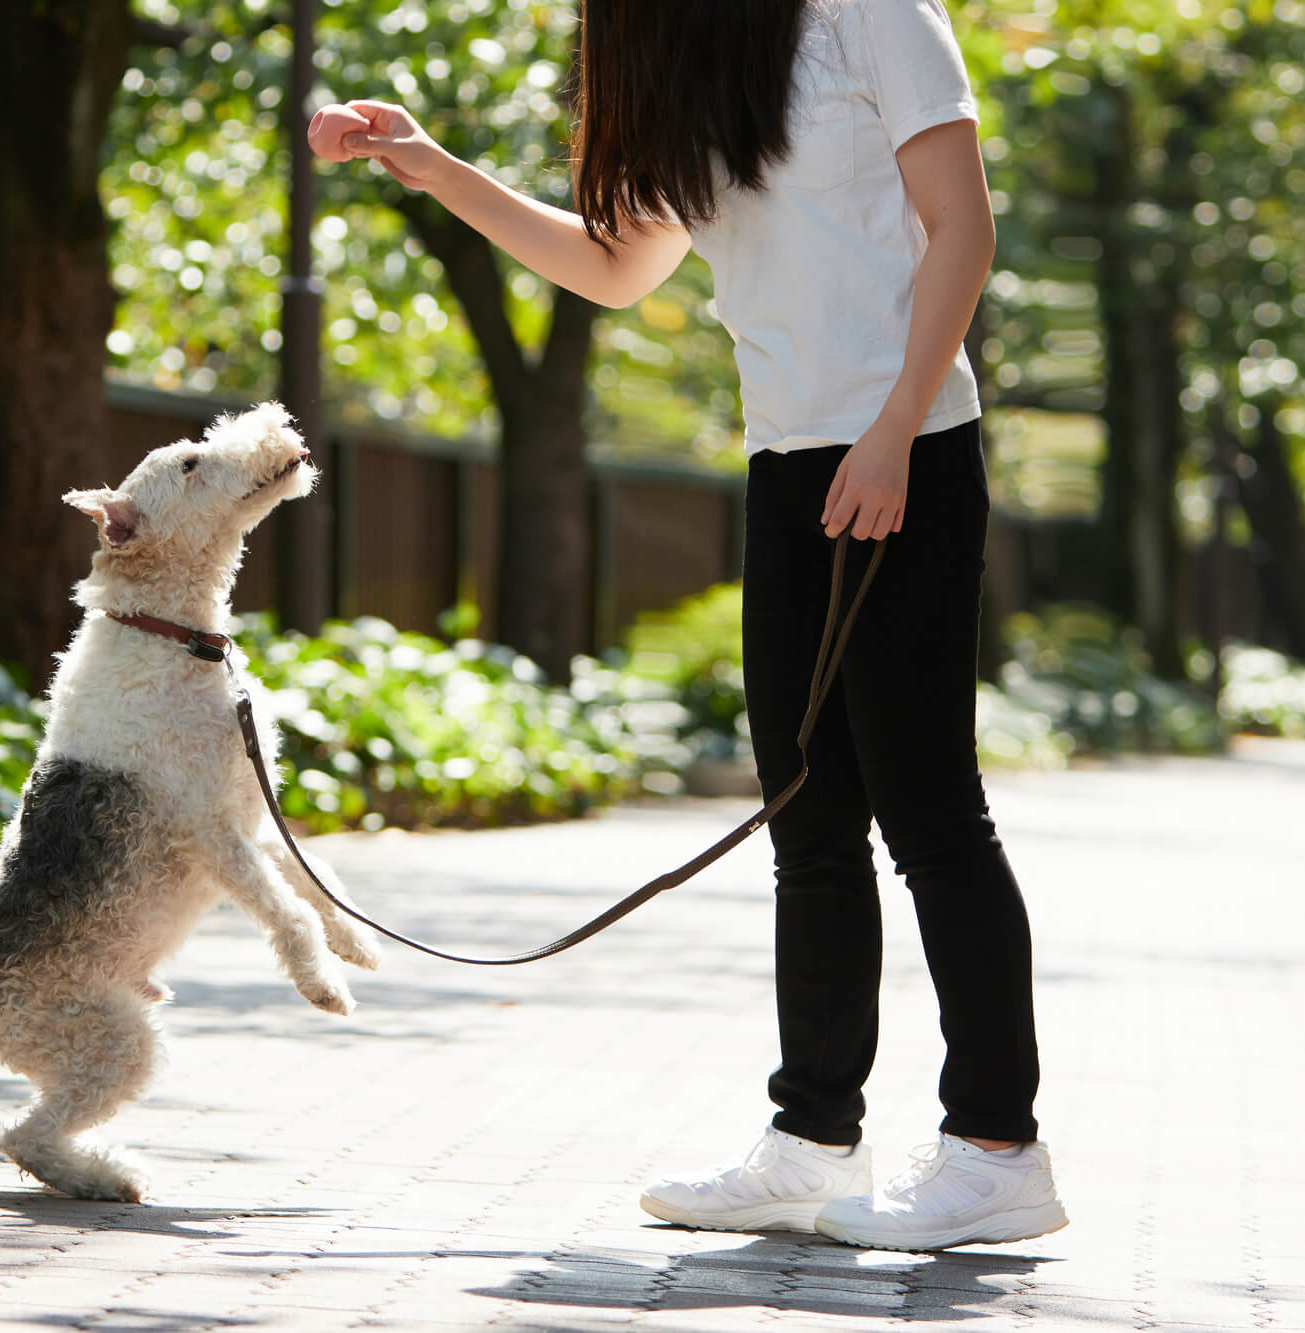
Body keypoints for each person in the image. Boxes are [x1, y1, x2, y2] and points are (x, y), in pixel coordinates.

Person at [309, 0, 1067, 1251]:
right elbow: (614, 268)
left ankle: (997, 1148)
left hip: (910, 449)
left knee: (930, 813)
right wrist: (428, 162)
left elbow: (959, 231)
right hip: (786, 460)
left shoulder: (874, 13)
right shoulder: (694, 55)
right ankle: (811, 1137)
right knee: (806, 819)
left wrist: (889, 432)